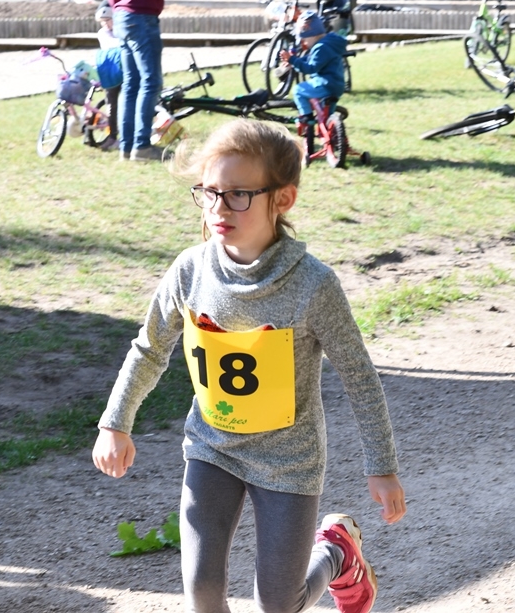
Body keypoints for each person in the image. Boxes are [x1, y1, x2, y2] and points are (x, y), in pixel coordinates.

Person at [92, 119, 405, 613]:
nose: (219, 208)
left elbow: (359, 377)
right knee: (202, 592)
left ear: (283, 199)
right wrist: (116, 421)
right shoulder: (190, 270)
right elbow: (149, 348)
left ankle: (338, 552)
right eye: (210, 192)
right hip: (213, 448)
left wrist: (381, 467)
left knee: (279, 602)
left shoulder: (314, 286)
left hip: (289, 462)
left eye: (239, 194)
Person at [105, 0, 181, 162]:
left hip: (122, 16)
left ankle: (127, 148)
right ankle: (142, 146)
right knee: (151, 81)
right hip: (140, 17)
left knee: (131, 84)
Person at [279, 11, 348, 130]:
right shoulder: (329, 42)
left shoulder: (320, 47)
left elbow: (310, 68)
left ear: (313, 35)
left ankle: (306, 117)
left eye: (304, 39)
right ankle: (334, 137)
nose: (304, 43)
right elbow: (313, 59)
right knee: (327, 117)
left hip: (324, 84)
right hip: (337, 85)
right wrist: (294, 61)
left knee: (299, 90)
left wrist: (293, 60)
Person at [93, 1, 121, 152]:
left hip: (123, 70)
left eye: (108, 20)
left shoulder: (121, 29)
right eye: (103, 22)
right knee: (112, 106)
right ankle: (113, 137)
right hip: (111, 72)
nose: (106, 24)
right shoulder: (102, 33)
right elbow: (113, 45)